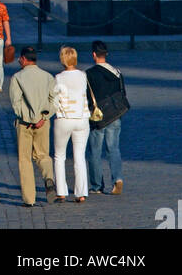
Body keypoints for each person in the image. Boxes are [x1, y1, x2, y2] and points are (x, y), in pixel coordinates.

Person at [9, 45, 58, 207]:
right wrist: (43, 117)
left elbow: (16, 103)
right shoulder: (48, 77)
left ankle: (29, 199)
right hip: (43, 123)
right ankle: (48, 177)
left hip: (25, 124)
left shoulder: (17, 77)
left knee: (25, 160)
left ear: (23, 59)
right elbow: (54, 101)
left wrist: (28, 118)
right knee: (43, 155)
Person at [86, 40, 129, 196]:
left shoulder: (89, 74)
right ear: (106, 54)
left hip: (98, 117)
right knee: (114, 149)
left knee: (95, 151)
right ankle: (117, 178)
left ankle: (97, 186)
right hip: (115, 114)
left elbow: (87, 97)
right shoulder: (116, 72)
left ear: (93, 54)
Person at [53, 45, 90, 203]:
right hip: (82, 118)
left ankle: (61, 191)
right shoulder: (83, 76)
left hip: (64, 118)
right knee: (79, 156)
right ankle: (81, 192)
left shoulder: (59, 78)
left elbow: (54, 99)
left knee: (59, 156)